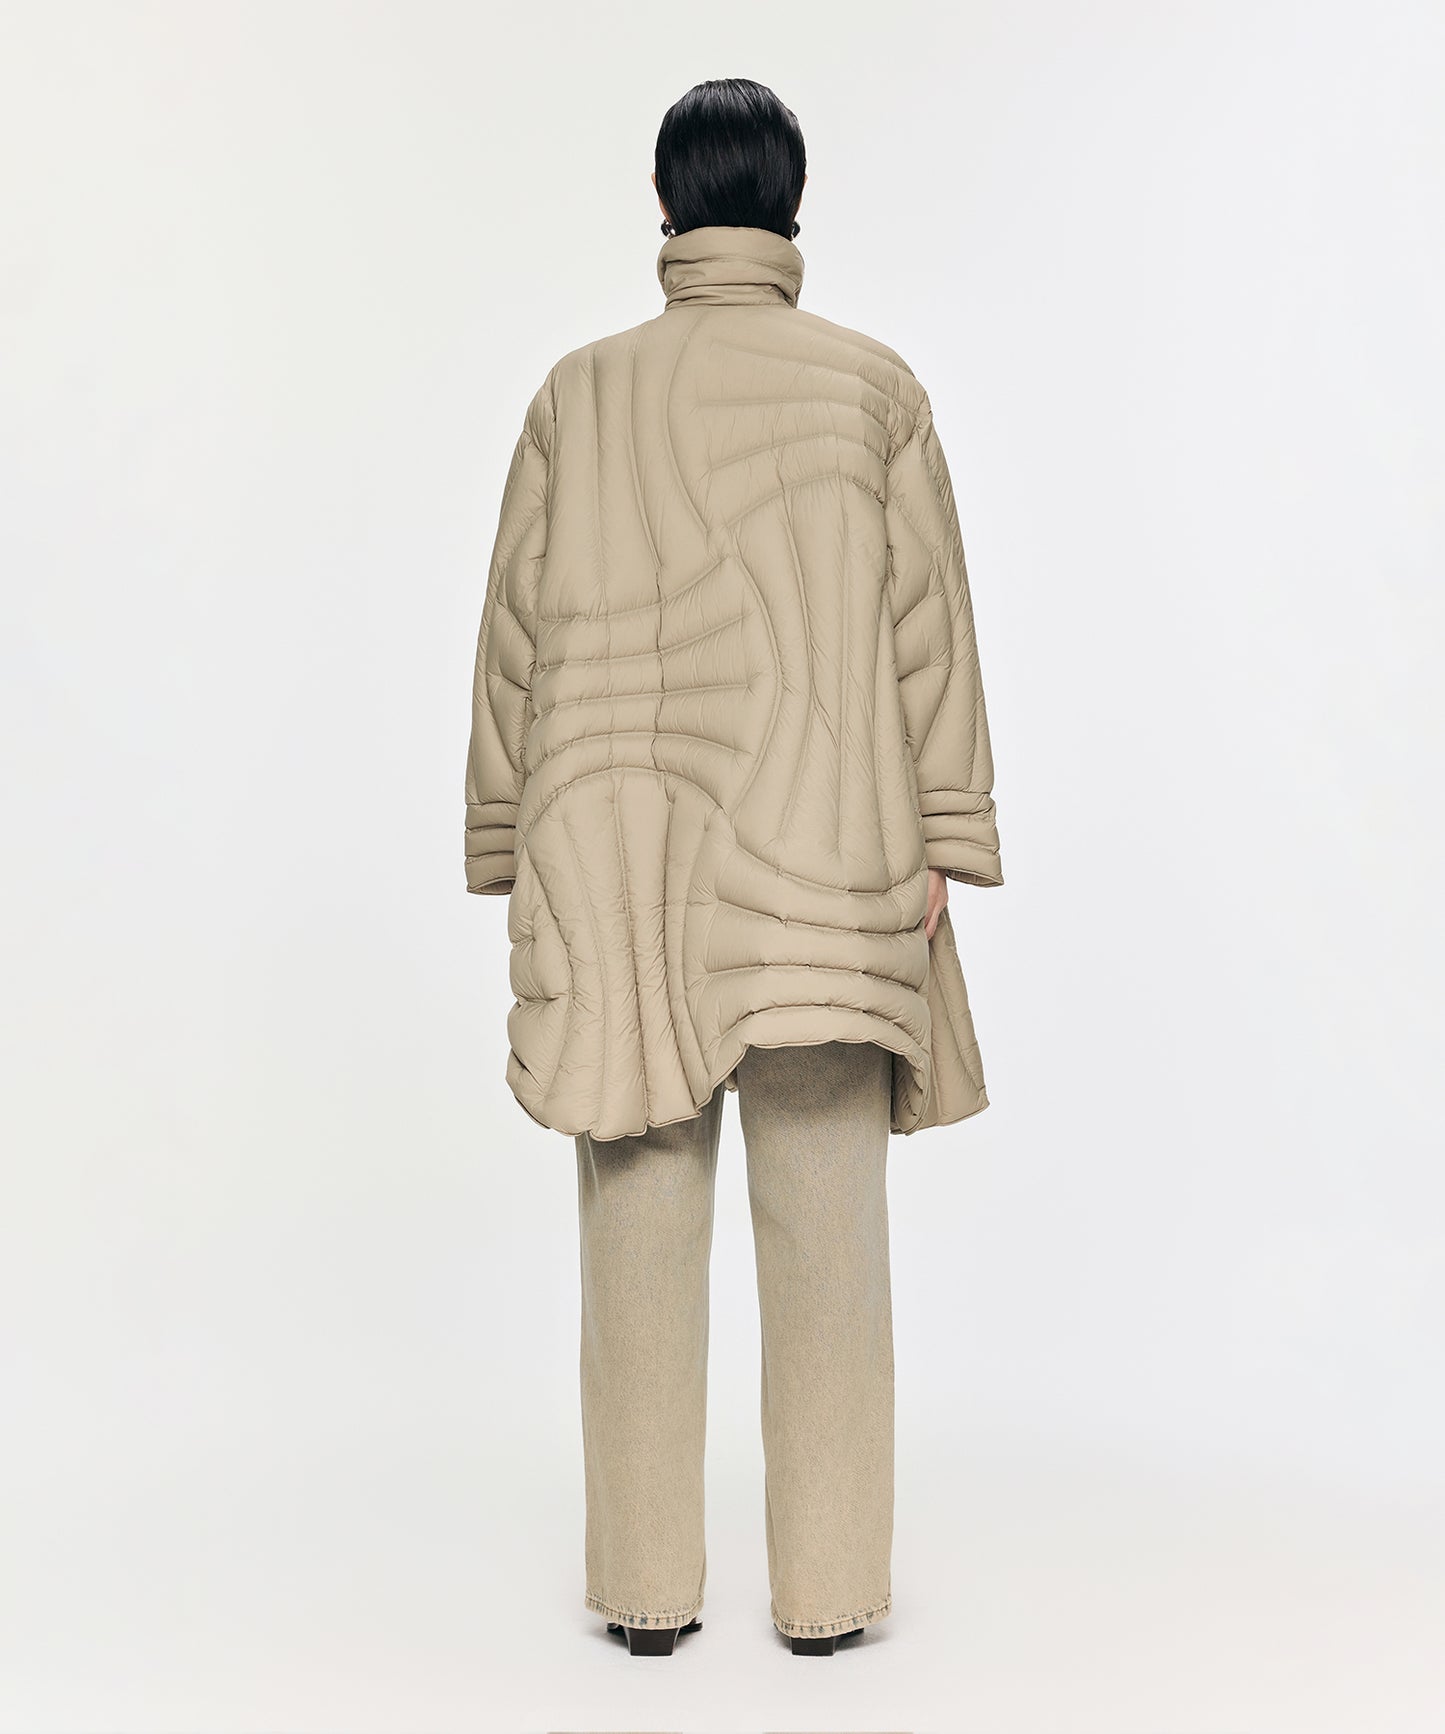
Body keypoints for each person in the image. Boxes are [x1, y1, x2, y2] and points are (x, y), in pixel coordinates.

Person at [463, 77, 1005, 1657]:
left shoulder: (577, 397)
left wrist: (505, 837)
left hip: (619, 865)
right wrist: (943, 835)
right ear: (792, 204)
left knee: (636, 1224)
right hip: (832, 860)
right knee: (828, 1234)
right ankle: (827, 1599)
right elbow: (930, 638)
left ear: (662, 203)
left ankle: (646, 1595)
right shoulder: (872, 391)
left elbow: (509, 646)